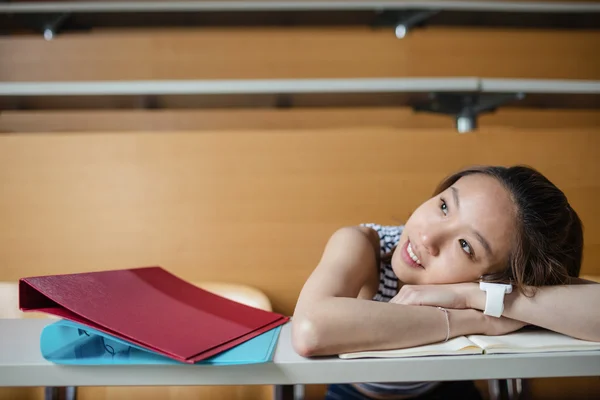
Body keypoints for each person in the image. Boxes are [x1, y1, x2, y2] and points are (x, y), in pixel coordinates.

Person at [291, 165, 600, 400]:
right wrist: (474, 321)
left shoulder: (486, 292)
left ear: (496, 279)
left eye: (466, 246)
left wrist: (469, 296)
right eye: (443, 207)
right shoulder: (365, 245)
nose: (427, 237)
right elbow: (310, 330)